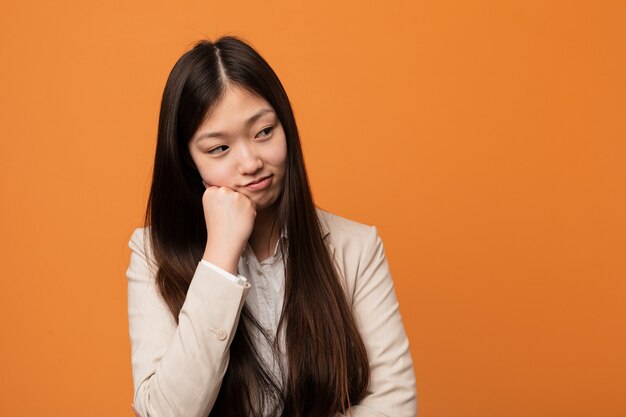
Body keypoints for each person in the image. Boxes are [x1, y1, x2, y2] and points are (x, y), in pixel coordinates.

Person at [125, 35, 417, 417]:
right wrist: (219, 260)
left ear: (286, 127)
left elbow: (393, 404)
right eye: (219, 149)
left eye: (264, 132)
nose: (250, 162)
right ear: (188, 161)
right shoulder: (152, 254)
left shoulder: (357, 247)